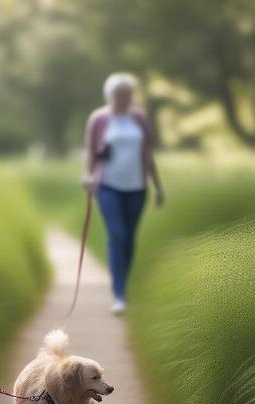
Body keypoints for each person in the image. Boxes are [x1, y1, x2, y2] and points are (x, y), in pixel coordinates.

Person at [82, 72, 164, 315]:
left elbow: (148, 153)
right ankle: (118, 294)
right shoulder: (98, 118)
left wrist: (157, 186)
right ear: (110, 95)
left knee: (128, 238)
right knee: (116, 234)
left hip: (137, 187)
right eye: (119, 94)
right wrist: (88, 176)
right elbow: (90, 150)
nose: (123, 99)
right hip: (107, 185)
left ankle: (122, 284)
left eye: (127, 94)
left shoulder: (139, 118)